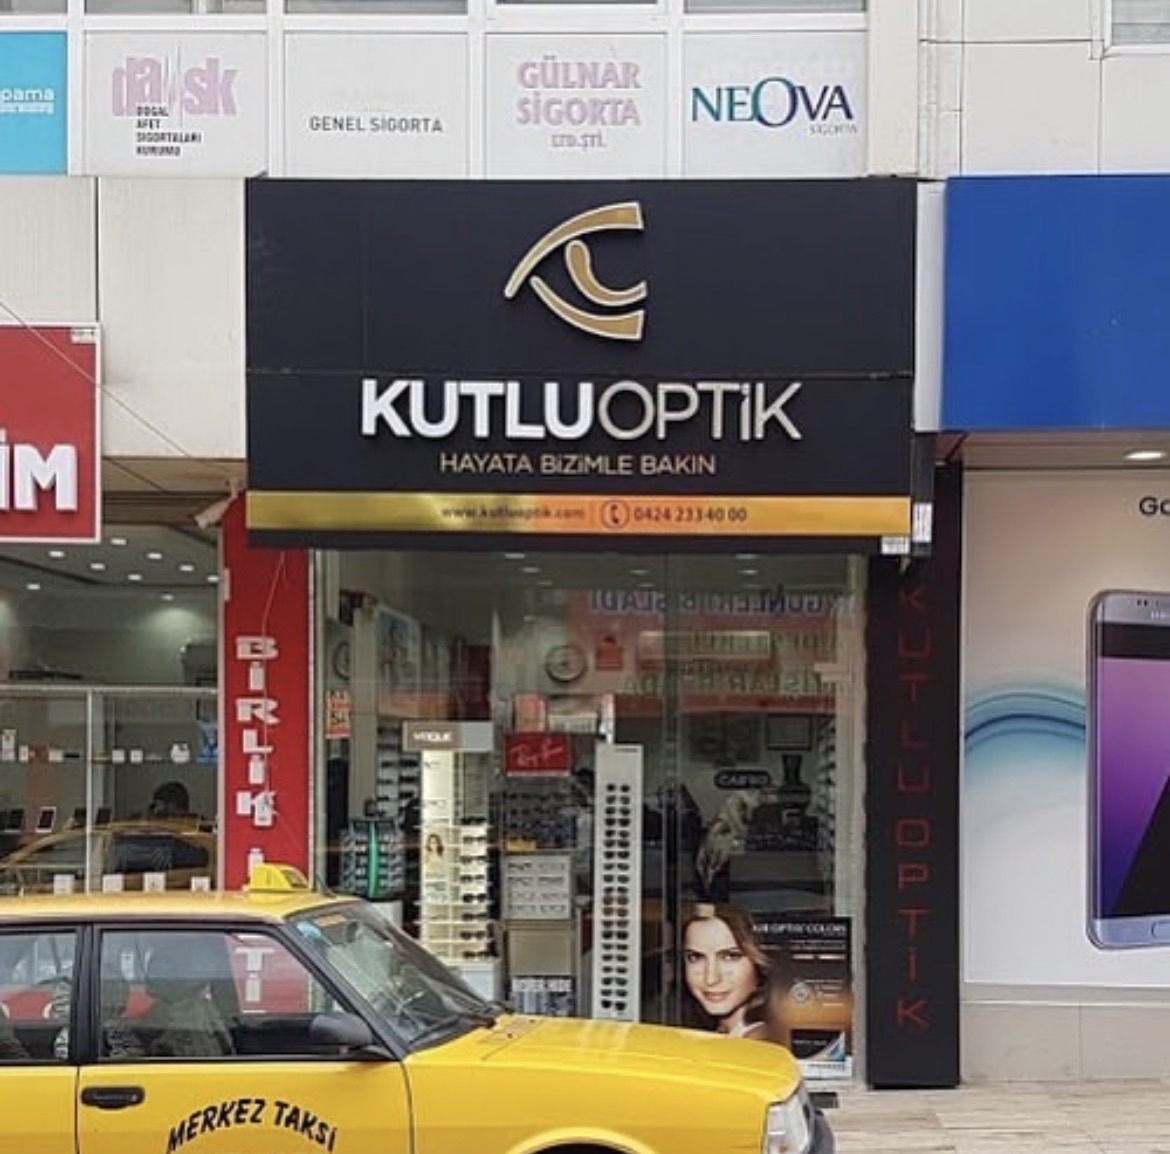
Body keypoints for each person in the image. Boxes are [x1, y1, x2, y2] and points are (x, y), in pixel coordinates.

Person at [680, 903, 770, 1038]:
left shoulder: (758, 1040)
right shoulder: (729, 1033)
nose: (710, 979)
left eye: (730, 957)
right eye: (696, 957)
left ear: (759, 963)